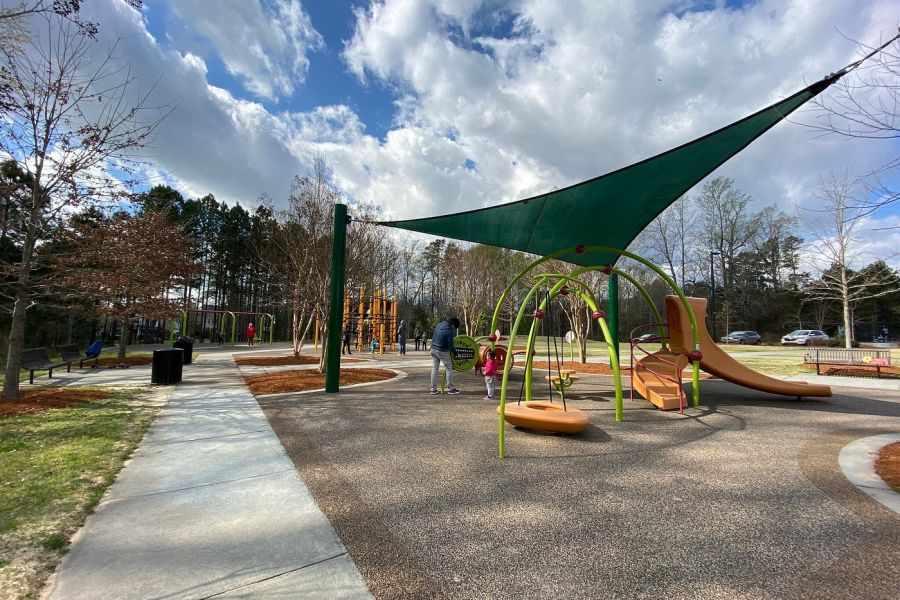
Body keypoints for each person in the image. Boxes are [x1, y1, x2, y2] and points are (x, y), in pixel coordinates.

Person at [430, 317, 461, 395]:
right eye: (455, 328)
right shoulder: (449, 330)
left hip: (433, 349)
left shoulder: (439, 324)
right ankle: (451, 389)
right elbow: (451, 346)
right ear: (453, 325)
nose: (454, 329)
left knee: (434, 369)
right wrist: (457, 354)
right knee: (449, 368)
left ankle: (433, 389)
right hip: (442, 350)